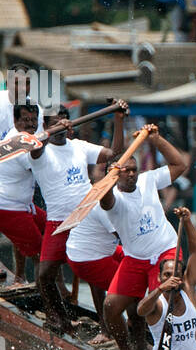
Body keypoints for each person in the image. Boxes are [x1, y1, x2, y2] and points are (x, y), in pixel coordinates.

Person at [28, 103, 126, 334]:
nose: (61, 124)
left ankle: (106, 326)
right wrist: (49, 132)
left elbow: (114, 153)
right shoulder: (39, 152)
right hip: (59, 221)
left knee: (94, 274)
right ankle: (60, 319)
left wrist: (118, 119)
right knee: (44, 276)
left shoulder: (79, 146)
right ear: (45, 126)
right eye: (55, 122)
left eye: (65, 119)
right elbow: (35, 146)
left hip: (88, 218)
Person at [99, 124, 191, 350]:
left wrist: (156, 139)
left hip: (165, 251)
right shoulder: (112, 197)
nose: (130, 175)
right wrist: (109, 176)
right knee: (111, 306)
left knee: (162, 306)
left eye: (133, 170)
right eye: (125, 171)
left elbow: (180, 166)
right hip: (135, 258)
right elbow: (104, 199)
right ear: (115, 175)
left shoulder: (148, 180)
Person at [137, 208, 196, 350]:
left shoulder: (188, 291)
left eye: (175, 275)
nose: (172, 278)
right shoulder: (157, 305)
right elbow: (140, 310)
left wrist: (188, 222)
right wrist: (160, 289)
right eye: (166, 275)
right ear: (159, 277)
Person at [0, 101, 47, 283]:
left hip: (23, 205)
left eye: (34, 120)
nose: (30, 125)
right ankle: (49, 301)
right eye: (25, 120)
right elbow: (44, 169)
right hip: (7, 209)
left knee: (54, 233)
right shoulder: (17, 142)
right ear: (15, 120)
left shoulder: (28, 137)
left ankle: (20, 278)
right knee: (42, 255)